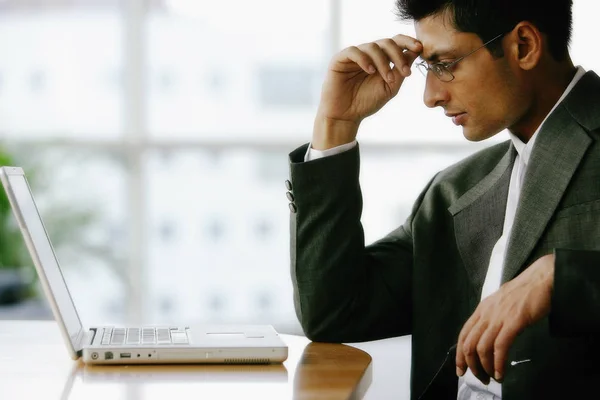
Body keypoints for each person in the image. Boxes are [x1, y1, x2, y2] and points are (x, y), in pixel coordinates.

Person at [286, 0, 600, 398]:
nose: (430, 96)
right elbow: (334, 311)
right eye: (427, 67)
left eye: (446, 63)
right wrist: (336, 125)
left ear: (523, 45)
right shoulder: (455, 189)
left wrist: (564, 278)